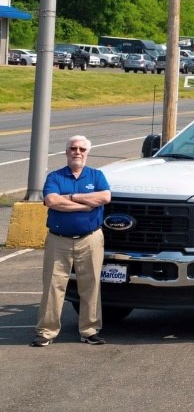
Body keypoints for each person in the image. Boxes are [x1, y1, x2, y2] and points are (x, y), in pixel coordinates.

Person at [31, 136, 111, 347]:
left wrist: (71, 198)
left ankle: (90, 330)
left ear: (87, 152)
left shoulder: (97, 175)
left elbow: (104, 198)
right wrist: (85, 204)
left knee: (91, 285)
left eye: (82, 149)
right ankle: (46, 332)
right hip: (59, 241)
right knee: (53, 286)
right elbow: (52, 201)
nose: (77, 152)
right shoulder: (55, 177)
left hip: (90, 239)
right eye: (73, 148)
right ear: (66, 152)